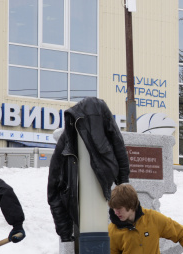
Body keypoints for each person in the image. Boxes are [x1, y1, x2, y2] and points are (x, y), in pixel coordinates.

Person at [47, 97, 130, 243]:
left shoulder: (69, 142)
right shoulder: (67, 143)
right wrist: (65, 234)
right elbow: (54, 190)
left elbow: (118, 144)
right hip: (87, 217)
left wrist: (65, 233)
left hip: (94, 214)